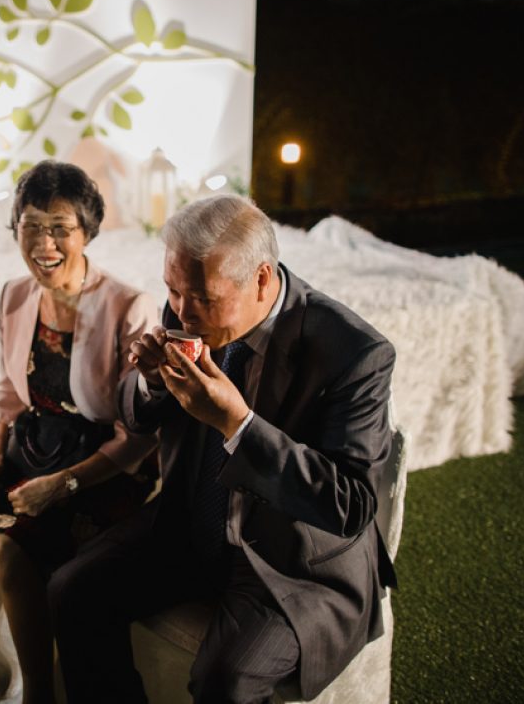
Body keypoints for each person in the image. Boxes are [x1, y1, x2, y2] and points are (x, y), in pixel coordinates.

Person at [47, 194, 399, 703]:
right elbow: (134, 414)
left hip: (292, 560)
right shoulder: (188, 305)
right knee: (72, 590)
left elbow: (350, 505)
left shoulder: (354, 353)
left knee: (226, 679)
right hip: (190, 526)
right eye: (173, 290)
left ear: (261, 279)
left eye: (203, 298)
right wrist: (152, 384)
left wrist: (237, 423)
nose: (183, 312)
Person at [0, 161, 159, 704]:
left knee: (6, 552)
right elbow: (9, 389)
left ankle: (38, 692)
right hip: (32, 451)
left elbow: (141, 432)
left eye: (60, 227)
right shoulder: (14, 295)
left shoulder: (129, 306)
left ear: (87, 232)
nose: (44, 243)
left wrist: (64, 485)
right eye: (30, 226)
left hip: (105, 466)